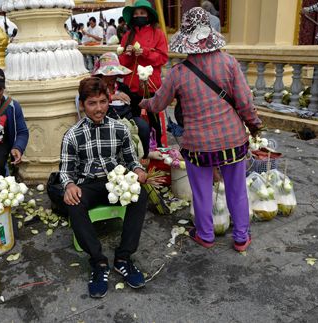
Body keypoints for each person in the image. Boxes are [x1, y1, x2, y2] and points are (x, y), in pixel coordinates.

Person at [140, 8, 263, 252]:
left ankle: (206, 235)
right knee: (237, 190)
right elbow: (245, 102)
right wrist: (255, 125)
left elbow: (158, 104)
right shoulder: (229, 62)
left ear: (186, 39)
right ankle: (241, 238)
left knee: (202, 192)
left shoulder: (178, 73)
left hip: (198, 146)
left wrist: (143, 102)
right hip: (233, 142)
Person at [59, 77, 149, 298]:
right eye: (92, 103)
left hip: (115, 182)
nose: (98, 108)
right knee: (73, 203)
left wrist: (137, 171)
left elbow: (131, 159)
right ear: (82, 105)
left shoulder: (119, 129)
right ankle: (98, 263)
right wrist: (69, 185)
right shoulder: (72, 135)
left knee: (141, 194)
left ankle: (123, 258)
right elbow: (65, 171)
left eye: (102, 102)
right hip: (87, 185)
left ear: (109, 101)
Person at [118, 0, 168, 147]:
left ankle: (158, 149)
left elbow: (163, 58)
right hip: (131, 86)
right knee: (132, 121)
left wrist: (145, 52)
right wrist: (127, 54)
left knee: (154, 122)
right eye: (136, 13)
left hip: (150, 86)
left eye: (142, 13)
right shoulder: (127, 36)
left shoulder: (158, 34)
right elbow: (121, 63)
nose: (138, 16)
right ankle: (134, 151)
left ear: (148, 16)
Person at [92, 52, 151, 158]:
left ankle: (144, 157)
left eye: (114, 73)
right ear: (102, 74)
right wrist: (111, 97)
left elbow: (136, 101)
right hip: (107, 121)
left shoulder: (122, 87)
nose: (112, 76)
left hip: (127, 119)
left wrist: (142, 89)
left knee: (143, 126)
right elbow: (92, 101)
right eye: (109, 74)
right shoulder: (96, 88)